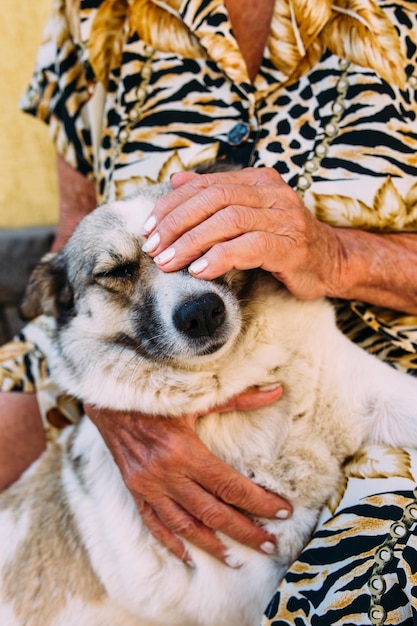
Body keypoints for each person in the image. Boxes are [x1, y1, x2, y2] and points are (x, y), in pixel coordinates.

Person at [1, 0, 417, 623]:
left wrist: (335, 253)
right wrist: (108, 395)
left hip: (363, 359)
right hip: (128, 356)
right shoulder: (96, 15)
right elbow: (72, 255)